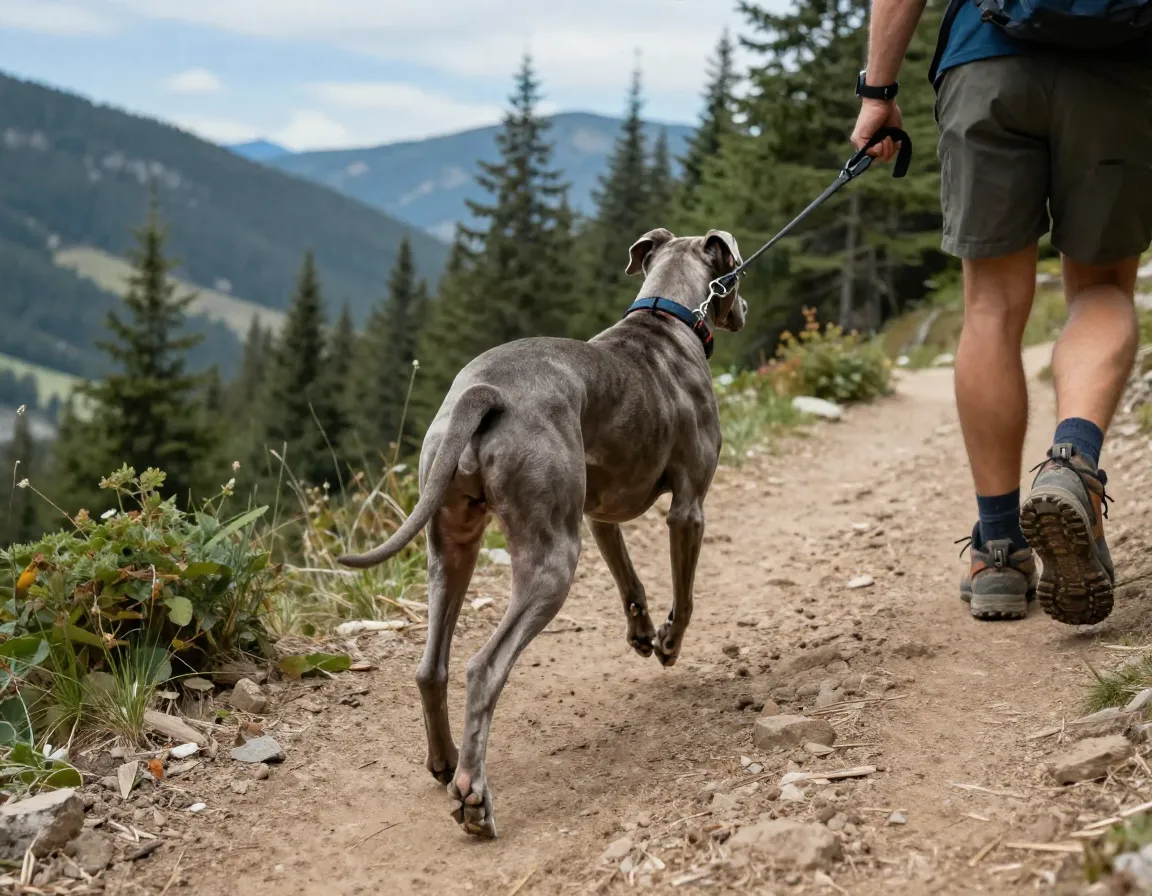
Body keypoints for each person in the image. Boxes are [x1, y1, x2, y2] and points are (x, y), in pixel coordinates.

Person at [850, 0, 1152, 624]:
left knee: (989, 308)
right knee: (1102, 289)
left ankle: (997, 549)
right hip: (1118, 66)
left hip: (985, 60)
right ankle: (1073, 462)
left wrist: (878, 90)